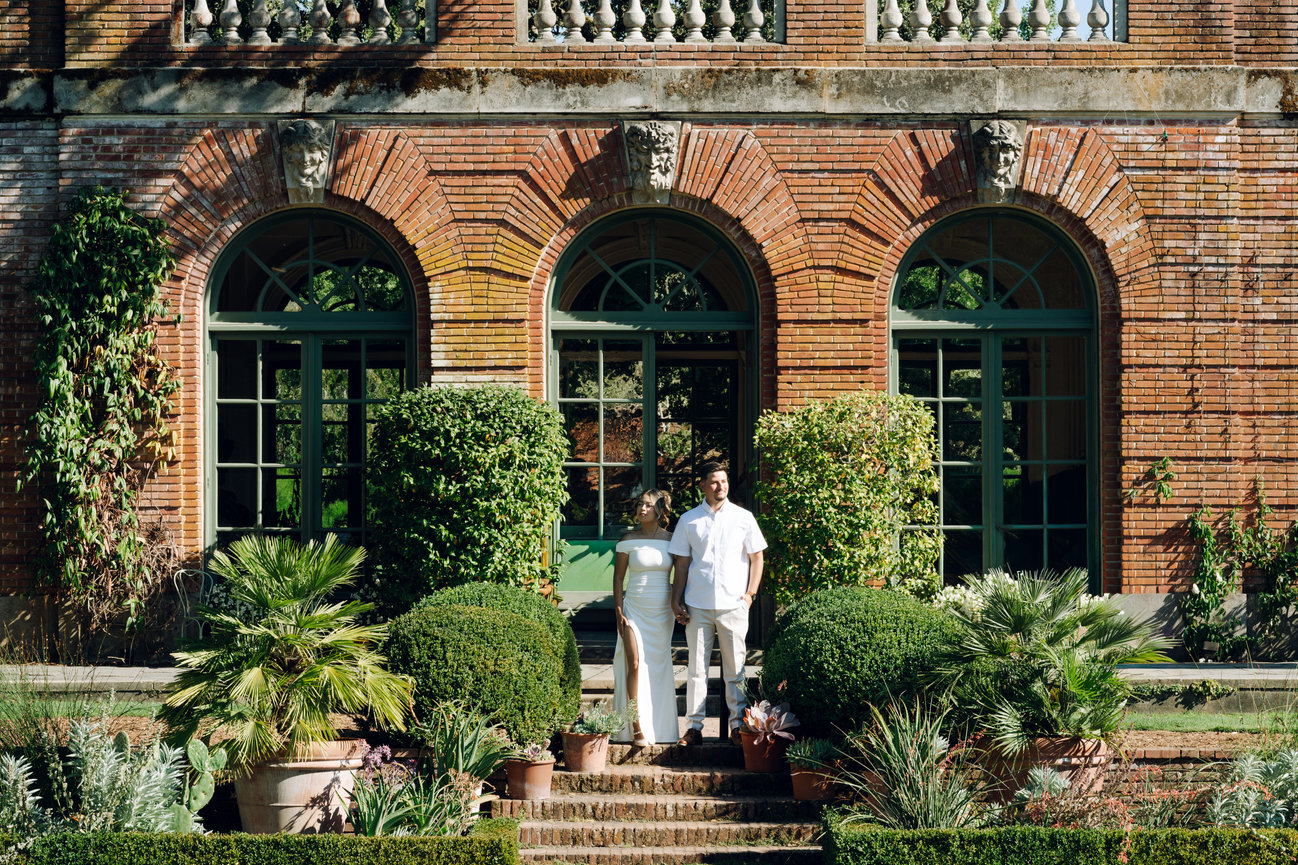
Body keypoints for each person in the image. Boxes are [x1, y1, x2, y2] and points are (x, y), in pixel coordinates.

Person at [669, 461, 767, 747]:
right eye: (714, 481)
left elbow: (756, 557)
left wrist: (749, 595)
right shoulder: (688, 520)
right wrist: (677, 602)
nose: (720, 486)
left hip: (733, 605)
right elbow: (682, 564)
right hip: (697, 606)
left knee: (735, 669)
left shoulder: (743, 517)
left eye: (723, 481)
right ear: (703, 485)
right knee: (696, 670)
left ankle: (738, 726)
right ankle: (694, 728)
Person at [612, 488, 681, 746]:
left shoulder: (673, 541)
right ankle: (635, 723)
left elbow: (681, 575)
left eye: (649, 505)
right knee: (635, 663)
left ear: (660, 510)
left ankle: (661, 728)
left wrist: (678, 604)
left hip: (662, 612)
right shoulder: (627, 540)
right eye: (640, 504)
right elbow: (618, 579)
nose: (642, 509)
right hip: (634, 609)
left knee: (657, 667)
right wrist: (619, 611)